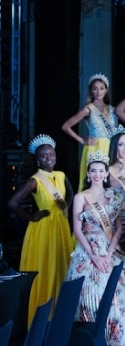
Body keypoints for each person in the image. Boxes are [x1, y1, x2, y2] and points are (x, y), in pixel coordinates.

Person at [66, 153, 125, 346]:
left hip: (110, 249)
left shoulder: (114, 195)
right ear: (88, 174)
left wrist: (108, 254)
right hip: (88, 249)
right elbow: (77, 230)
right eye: (93, 171)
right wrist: (94, 256)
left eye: (101, 171)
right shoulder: (81, 197)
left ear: (107, 174)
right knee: (93, 293)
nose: (97, 174)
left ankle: (119, 344)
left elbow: (118, 229)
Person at [9, 135, 75, 326]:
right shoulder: (35, 180)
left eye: (51, 154)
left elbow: (70, 194)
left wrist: (65, 208)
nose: (49, 158)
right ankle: (42, 317)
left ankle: (59, 314)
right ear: (38, 159)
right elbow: (12, 203)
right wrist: (32, 216)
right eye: (44, 156)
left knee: (61, 265)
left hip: (61, 226)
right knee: (47, 267)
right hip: (44, 228)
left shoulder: (61, 175)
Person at [63, 74, 119, 190]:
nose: (98, 92)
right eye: (95, 89)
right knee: (93, 181)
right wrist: (82, 140)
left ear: (106, 90)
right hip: (95, 148)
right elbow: (66, 126)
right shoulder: (88, 109)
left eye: (101, 88)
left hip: (111, 148)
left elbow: (117, 132)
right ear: (91, 91)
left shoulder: (113, 110)